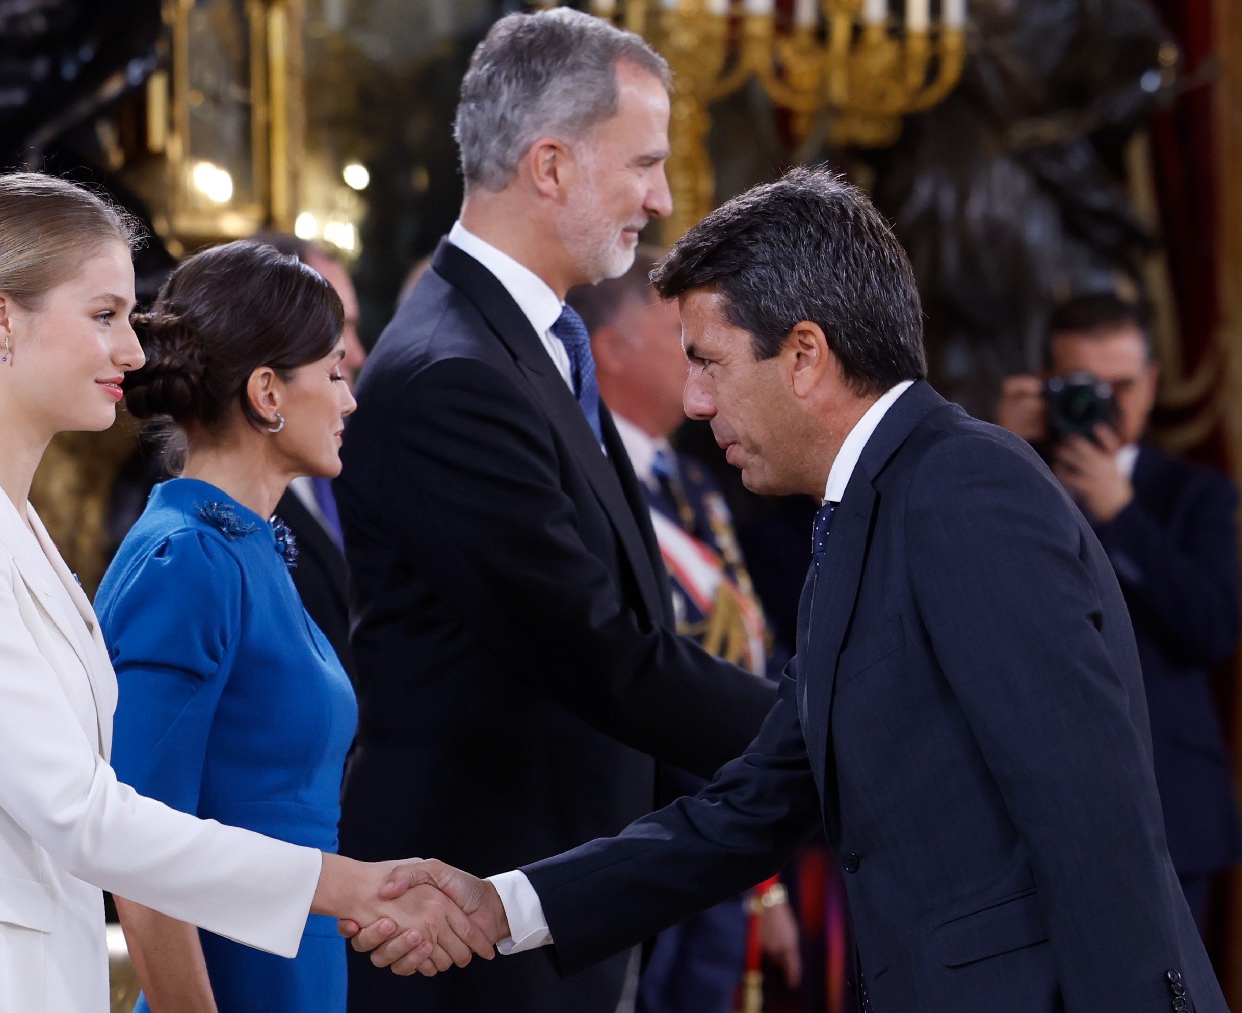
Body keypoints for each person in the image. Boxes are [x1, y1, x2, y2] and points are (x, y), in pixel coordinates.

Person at [350, 167, 1227, 1013]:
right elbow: (752, 806)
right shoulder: (861, 514)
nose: (694, 400)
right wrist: (506, 905)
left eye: (711, 362)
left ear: (805, 354)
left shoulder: (963, 486)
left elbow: (1088, 807)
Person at [0, 174, 488, 1013]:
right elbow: (83, 812)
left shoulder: (5, 526)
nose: (134, 353)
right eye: (105, 317)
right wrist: (342, 885)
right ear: (1, 321)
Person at [334, 9, 775, 1012]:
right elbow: (599, 649)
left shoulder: (529, 343)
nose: (660, 200)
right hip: (465, 927)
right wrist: (827, 729)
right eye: (645, 164)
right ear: (549, 166)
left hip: (546, 912)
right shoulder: (452, 371)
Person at [97, 240, 358, 1013]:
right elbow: (139, 859)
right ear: (268, 391)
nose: (347, 399)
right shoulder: (188, 561)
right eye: (335, 372)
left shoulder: (244, 543)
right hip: (231, 981)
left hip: (297, 964)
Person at [571, 254, 801, 1012]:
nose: (696, 362)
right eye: (678, 338)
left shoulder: (693, 480)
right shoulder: (591, 485)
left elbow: (745, 637)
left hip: (731, 793)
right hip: (656, 816)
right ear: (612, 348)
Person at [996, 294, 1242, 934]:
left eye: (1122, 387)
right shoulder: (1004, 482)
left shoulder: (1199, 495)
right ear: (1046, 386)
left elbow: (1212, 627)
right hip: (1031, 810)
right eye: (1084, 387)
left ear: (1153, 385)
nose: (1103, 405)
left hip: (1172, 806)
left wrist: (1123, 515)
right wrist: (996, 451)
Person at [252, 231, 362, 680]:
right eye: (333, 363)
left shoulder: (354, 456)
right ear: (268, 385)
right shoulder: (190, 548)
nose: (358, 354)